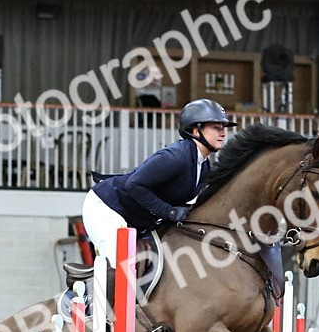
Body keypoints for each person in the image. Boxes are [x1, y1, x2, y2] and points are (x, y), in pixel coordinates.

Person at [82, 98, 236, 267]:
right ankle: (88, 294)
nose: (223, 133)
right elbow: (134, 184)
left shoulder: (204, 165)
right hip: (106, 207)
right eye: (216, 128)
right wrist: (168, 212)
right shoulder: (177, 156)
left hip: (135, 218)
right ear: (196, 130)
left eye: (223, 128)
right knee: (118, 265)